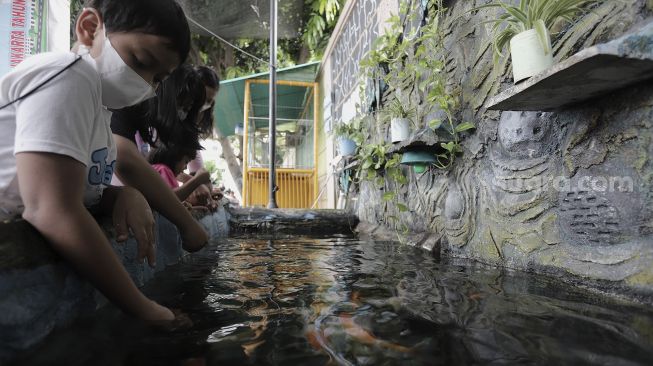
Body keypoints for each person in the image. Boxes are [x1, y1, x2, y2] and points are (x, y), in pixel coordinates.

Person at [0, 0, 195, 322]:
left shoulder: (99, 113)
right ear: (90, 29)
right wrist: (148, 311)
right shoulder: (68, 74)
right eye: (140, 61)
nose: (146, 83)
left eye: (157, 78)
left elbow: (69, 190)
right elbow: (50, 210)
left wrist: (117, 195)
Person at [110, 64, 209, 251]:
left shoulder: (140, 125)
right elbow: (126, 161)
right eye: (183, 106)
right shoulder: (125, 104)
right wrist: (187, 224)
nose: (183, 114)